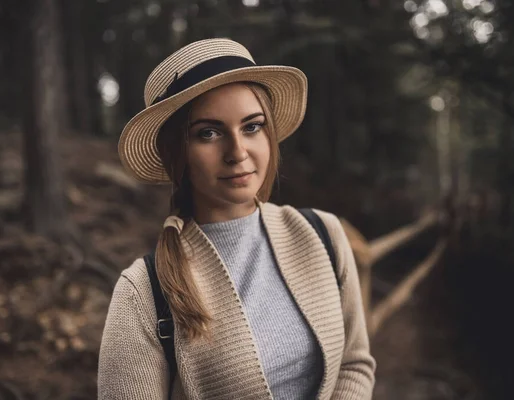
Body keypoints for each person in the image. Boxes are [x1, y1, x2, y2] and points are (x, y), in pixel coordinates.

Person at [98, 38, 376, 400]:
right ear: (175, 152)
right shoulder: (142, 294)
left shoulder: (322, 235)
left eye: (252, 126)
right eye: (208, 133)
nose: (238, 152)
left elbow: (354, 365)